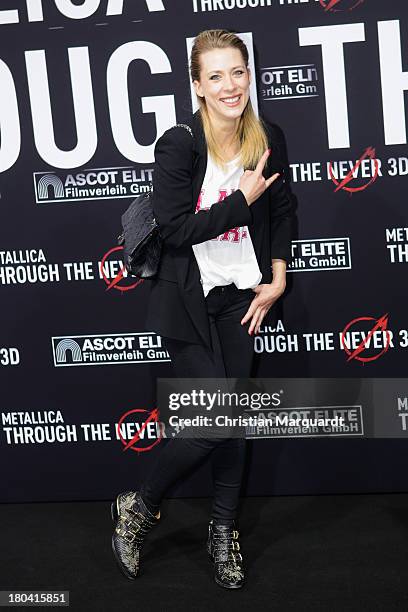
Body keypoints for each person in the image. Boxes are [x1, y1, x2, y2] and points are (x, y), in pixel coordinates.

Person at [111, 29, 296, 590]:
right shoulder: (179, 143)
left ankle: (222, 530)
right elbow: (174, 229)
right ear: (197, 85)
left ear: (249, 74)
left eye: (237, 72)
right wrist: (241, 201)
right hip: (186, 299)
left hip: (242, 296)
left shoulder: (267, 135)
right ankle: (139, 506)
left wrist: (278, 277)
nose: (230, 85)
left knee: (232, 422)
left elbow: (284, 209)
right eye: (215, 75)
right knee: (218, 420)